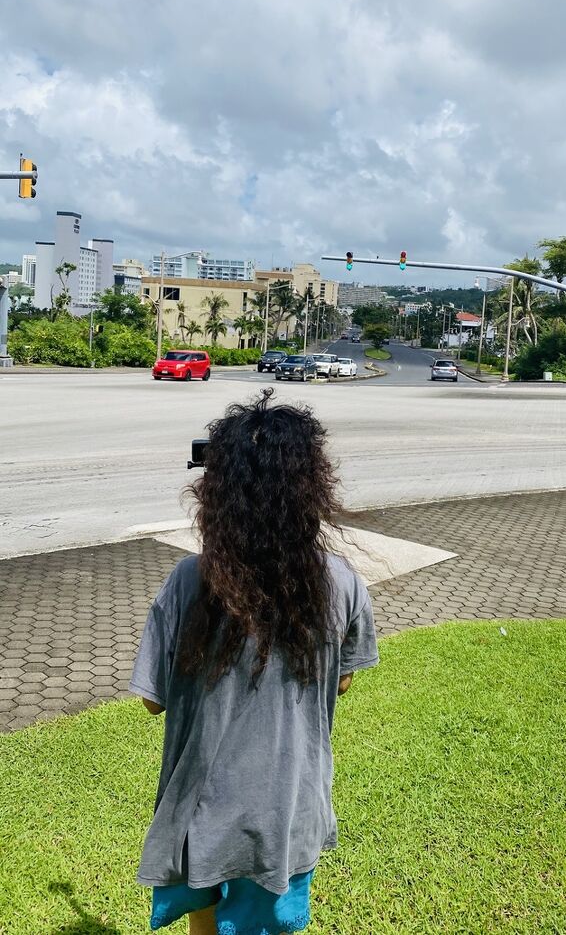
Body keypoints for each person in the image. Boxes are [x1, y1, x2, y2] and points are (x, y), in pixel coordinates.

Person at [130, 389, 379, 934]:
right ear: (311, 489)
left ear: (217, 493)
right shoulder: (341, 583)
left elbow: (152, 700)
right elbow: (342, 684)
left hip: (202, 806)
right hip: (287, 807)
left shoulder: (188, 581)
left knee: (205, 925)